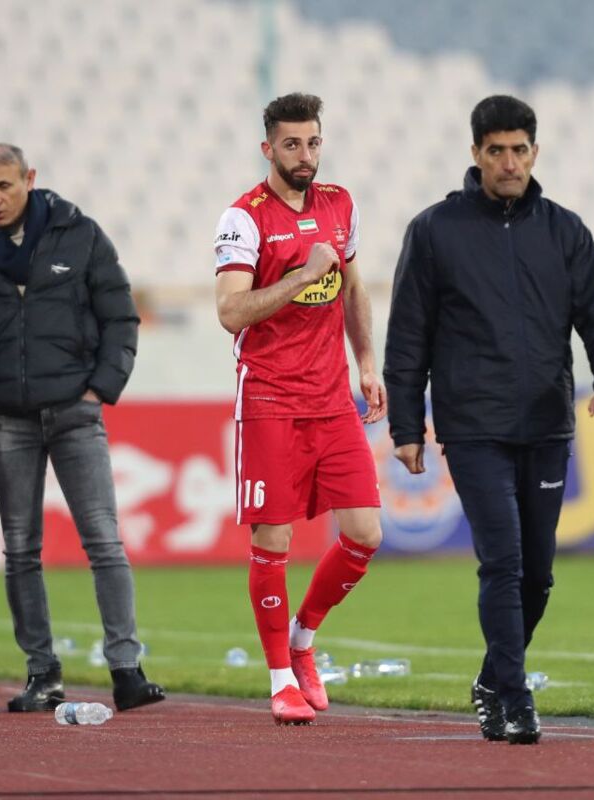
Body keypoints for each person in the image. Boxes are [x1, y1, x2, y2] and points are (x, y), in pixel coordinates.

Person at [384, 95, 594, 745]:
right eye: (495, 150)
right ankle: (517, 697)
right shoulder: (435, 231)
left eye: (520, 149)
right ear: (475, 154)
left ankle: (492, 678)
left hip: (548, 423)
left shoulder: (564, 230)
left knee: (539, 573)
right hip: (473, 427)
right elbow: (408, 336)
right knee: (502, 561)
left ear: (535, 152)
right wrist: (407, 427)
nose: (509, 162)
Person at [0, 143, 165, 714]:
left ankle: (127, 670)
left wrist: (101, 387)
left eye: (4, 186)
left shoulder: (79, 235)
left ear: (29, 179)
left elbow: (120, 316)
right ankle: (42, 673)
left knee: (104, 541)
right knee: (22, 550)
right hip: (7, 415)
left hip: (75, 412)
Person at [213, 93, 386, 725]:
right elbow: (230, 312)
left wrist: (366, 362)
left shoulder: (340, 203)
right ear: (268, 149)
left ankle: (304, 638)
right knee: (274, 538)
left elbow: (354, 287)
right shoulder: (243, 219)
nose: (305, 155)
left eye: (312, 142)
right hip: (269, 396)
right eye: (291, 144)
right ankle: (281, 680)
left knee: (366, 534)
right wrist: (300, 274)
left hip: (332, 395)